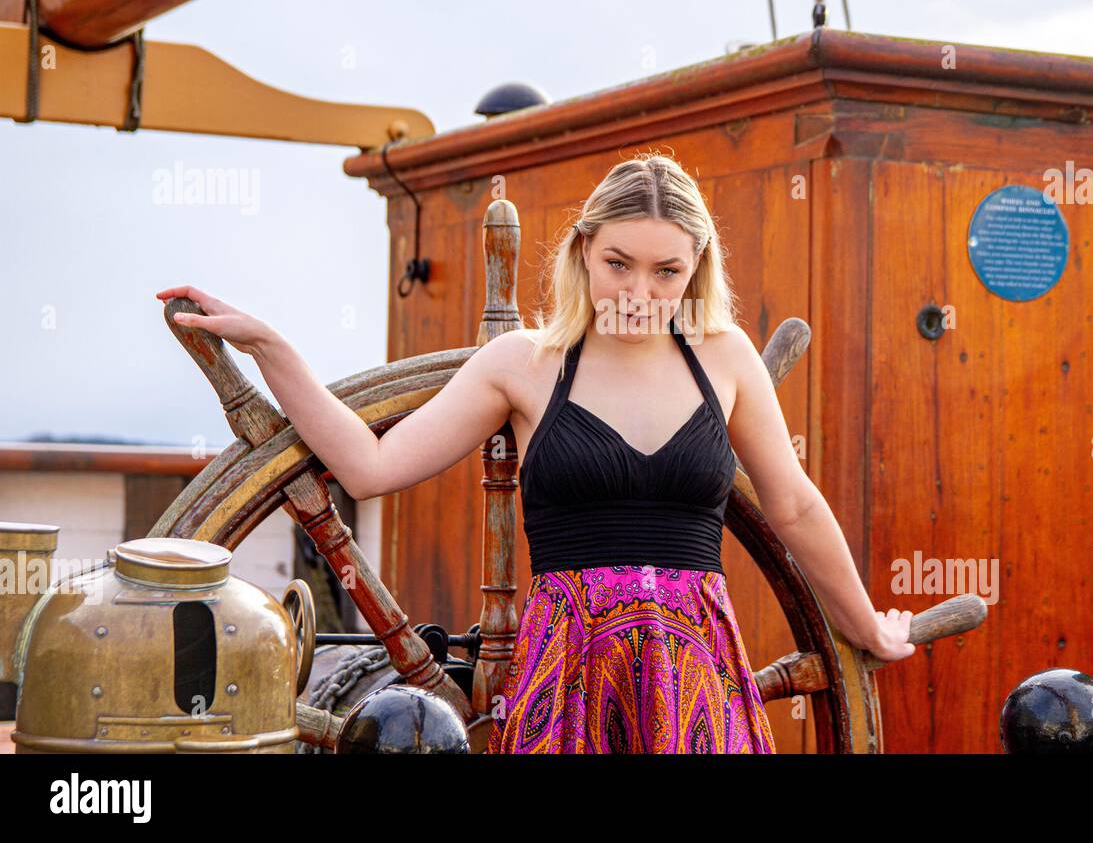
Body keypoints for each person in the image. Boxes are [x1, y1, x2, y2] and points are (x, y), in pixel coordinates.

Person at [155, 152, 915, 754]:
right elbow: (368, 466)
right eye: (619, 262)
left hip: (697, 679)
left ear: (698, 266)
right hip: (570, 677)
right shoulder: (524, 361)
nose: (639, 291)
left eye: (667, 271)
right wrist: (272, 348)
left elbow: (795, 506)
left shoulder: (726, 357)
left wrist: (871, 628)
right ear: (584, 250)